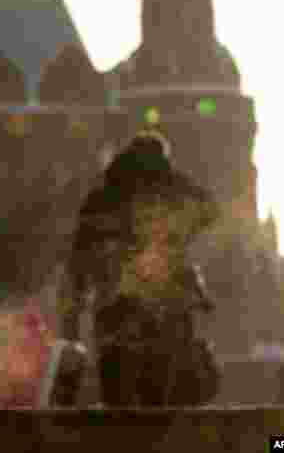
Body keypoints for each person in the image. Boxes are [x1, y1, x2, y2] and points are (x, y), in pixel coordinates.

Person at [59, 131, 221, 407]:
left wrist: (73, 312)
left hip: (119, 305)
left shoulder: (103, 196)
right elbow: (209, 210)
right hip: (158, 305)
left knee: (120, 393)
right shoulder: (170, 195)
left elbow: (79, 259)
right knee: (159, 394)